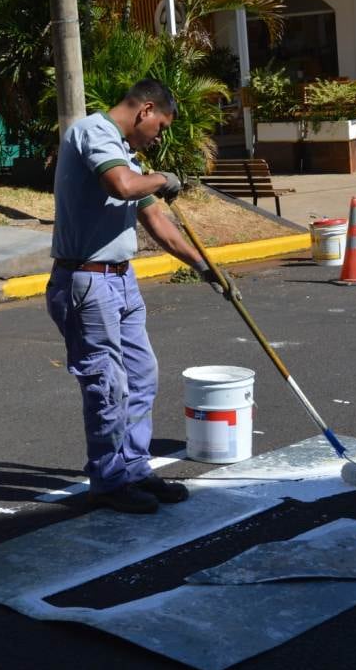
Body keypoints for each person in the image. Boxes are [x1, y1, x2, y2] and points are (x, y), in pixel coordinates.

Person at [46, 78, 224, 514]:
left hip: (120, 280)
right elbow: (122, 187)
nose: (158, 135)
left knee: (142, 376)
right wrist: (162, 178)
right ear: (145, 110)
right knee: (108, 385)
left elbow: (157, 220)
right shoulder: (93, 133)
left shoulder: (125, 154)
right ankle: (108, 482)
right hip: (86, 281)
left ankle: (133, 469)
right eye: (160, 125)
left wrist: (204, 266)